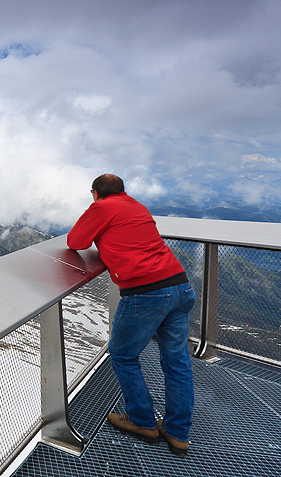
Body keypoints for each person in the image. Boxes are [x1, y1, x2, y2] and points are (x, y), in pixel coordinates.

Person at [67, 174, 195, 456]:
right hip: (180, 286)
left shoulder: (101, 207)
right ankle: (177, 433)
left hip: (146, 292)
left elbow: (75, 241)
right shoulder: (136, 206)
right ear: (123, 190)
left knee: (123, 354)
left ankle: (142, 422)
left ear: (96, 193)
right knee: (177, 361)